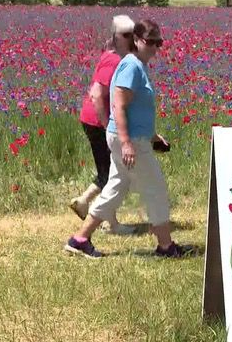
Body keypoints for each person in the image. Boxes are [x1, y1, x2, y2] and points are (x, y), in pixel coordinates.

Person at [65, 19, 192, 259]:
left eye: (159, 42)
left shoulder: (138, 65)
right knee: (155, 189)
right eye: (150, 42)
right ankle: (166, 246)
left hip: (134, 137)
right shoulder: (131, 66)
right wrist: (126, 143)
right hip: (130, 141)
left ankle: (79, 239)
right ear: (136, 40)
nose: (155, 47)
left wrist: (153, 136)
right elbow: (119, 106)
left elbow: (137, 110)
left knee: (114, 189)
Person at [70, 14, 136, 236]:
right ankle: (111, 224)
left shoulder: (111, 55)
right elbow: (97, 94)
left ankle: (83, 202)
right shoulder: (114, 61)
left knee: (108, 171)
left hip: (93, 119)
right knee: (113, 173)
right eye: (128, 36)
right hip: (97, 120)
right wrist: (105, 124)